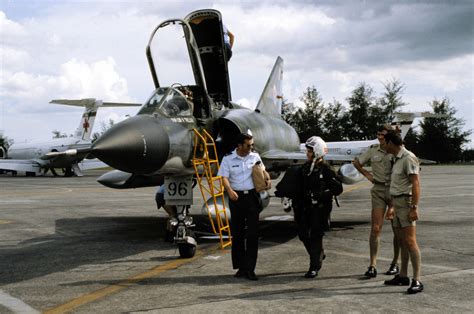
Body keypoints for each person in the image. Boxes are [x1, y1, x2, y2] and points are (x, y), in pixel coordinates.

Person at [353, 124, 401, 278]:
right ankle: (372, 265)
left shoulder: (396, 150)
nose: (379, 137)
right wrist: (367, 175)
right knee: (375, 229)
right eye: (378, 134)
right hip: (379, 190)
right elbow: (357, 162)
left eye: (383, 135)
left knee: (397, 229)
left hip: (395, 191)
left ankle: (394, 263)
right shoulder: (373, 149)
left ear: (389, 136)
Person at [293, 136, 343, 278]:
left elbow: (338, 188)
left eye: (309, 151)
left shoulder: (327, 170)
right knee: (303, 234)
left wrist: (321, 194)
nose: (307, 153)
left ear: (317, 151)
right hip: (305, 207)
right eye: (307, 151)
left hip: (320, 208)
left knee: (315, 235)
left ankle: (314, 266)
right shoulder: (305, 168)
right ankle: (318, 254)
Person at [383, 130, 423, 294]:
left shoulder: (408, 158)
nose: (383, 145)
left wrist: (414, 207)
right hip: (397, 203)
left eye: (384, 142)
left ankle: (417, 280)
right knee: (402, 241)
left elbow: (416, 184)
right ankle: (403, 276)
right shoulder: (396, 159)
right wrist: (392, 207)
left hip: (406, 203)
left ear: (391, 143)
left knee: (411, 242)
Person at [217, 133, 262, 280]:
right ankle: (241, 267)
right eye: (248, 145)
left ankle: (250, 269)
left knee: (253, 234)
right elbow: (223, 176)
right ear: (240, 145)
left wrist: (265, 179)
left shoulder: (255, 157)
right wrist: (229, 191)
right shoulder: (228, 158)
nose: (251, 148)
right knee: (237, 234)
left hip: (252, 197)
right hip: (236, 198)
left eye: (252, 145)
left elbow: (262, 170)